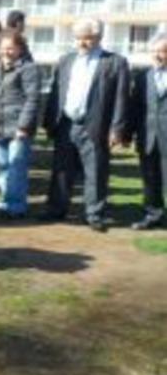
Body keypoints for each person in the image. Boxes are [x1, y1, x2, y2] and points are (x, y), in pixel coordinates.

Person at [43, 18, 130, 232]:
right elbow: (56, 92)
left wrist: (117, 129)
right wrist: (49, 121)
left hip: (96, 125)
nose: (82, 43)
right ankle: (57, 208)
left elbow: (121, 98)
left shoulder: (115, 62)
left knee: (96, 171)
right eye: (78, 38)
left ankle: (94, 214)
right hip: (66, 123)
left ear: (99, 38)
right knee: (61, 170)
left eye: (87, 38)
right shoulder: (66, 60)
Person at [0, 32, 41, 218]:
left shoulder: (29, 69)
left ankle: (16, 206)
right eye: (3, 48)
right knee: (2, 167)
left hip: (18, 127)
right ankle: (5, 203)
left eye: (10, 48)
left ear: (20, 48)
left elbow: (32, 99)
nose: (6, 52)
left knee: (16, 167)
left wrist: (24, 126)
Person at [127, 33, 167, 230]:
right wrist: (127, 134)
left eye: (163, 51)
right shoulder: (142, 77)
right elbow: (134, 108)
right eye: (155, 51)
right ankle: (153, 214)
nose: (159, 55)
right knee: (150, 179)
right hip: (148, 137)